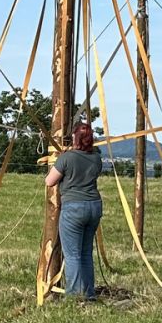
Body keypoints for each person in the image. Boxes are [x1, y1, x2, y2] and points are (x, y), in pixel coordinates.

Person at [45, 119, 104, 303]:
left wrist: (60, 160)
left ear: (75, 137)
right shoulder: (96, 158)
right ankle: (89, 294)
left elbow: (49, 181)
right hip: (94, 206)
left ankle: (75, 296)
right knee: (86, 252)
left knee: (72, 255)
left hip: (74, 208)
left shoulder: (67, 158)